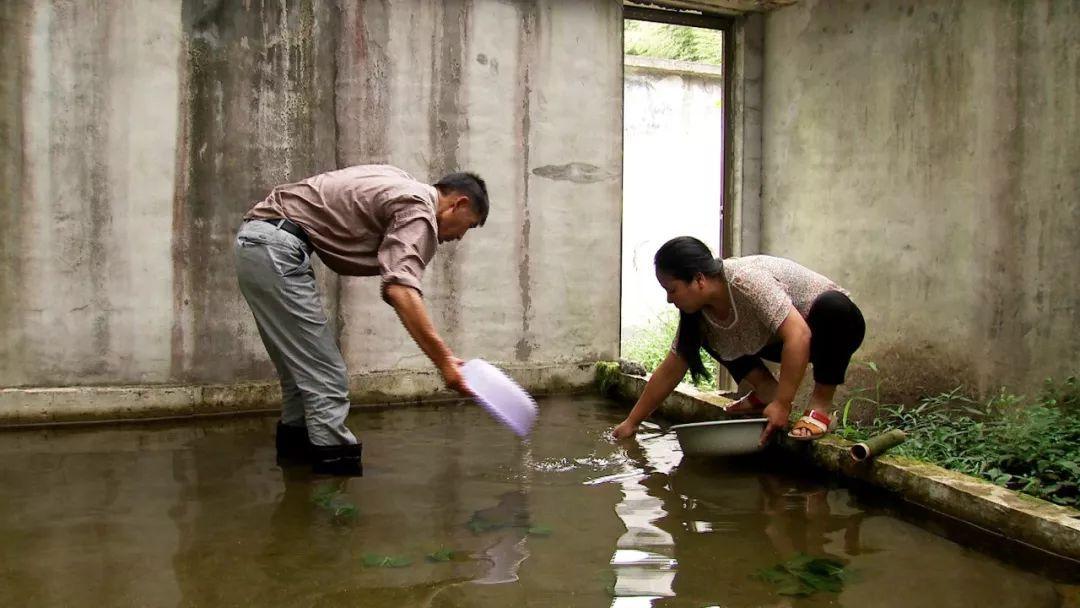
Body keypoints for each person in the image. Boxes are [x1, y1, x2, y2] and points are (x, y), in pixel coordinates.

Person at [235, 165, 488, 475]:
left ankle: (298, 486)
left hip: (258, 241)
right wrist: (444, 360)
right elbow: (400, 289)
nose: (460, 236)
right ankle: (335, 504)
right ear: (458, 203)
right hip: (276, 247)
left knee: (301, 380)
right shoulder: (419, 211)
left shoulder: (399, 178)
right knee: (327, 379)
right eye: (468, 226)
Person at [612, 236, 865, 445]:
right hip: (774, 340)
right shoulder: (699, 313)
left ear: (699, 279)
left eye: (672, 289)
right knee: (704, 334)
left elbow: (798, 335)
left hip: (827, 330)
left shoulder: (744, 280)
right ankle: (766, 390)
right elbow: (671, 368)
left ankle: (820, 405)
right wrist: (631, 423)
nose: (669, 299)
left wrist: (783, 404)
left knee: (834, 307)